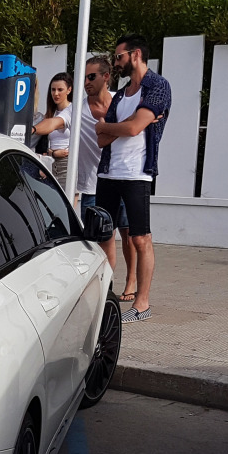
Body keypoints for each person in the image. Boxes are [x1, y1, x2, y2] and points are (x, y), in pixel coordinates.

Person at [32, 56, 138, 300]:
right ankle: (106, 291)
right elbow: (55, 122)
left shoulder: (119, 103)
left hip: (121, 178)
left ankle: (131, 280)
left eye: (91, 77)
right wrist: (32, 129)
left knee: (128, 234)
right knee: (102, 240)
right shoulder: (76, 108)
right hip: (91, 185)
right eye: (84, 78)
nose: (87, 82)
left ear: (105, 77)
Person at [95, 33, 171, 323]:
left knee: (140, 238)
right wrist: (123, 124)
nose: (116, 63)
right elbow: (100, 138)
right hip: (108, 172)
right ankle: (103, 294)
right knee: (102, 235)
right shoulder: (121, 94)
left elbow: (133, 130)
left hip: (137, 174)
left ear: (135, 55)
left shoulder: (158, 87)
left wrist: (112, 126)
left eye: (119, 57)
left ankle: (142, 304)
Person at [32, 73, 72, 188]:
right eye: (53, 90)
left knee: (68, 201)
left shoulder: (72, 110)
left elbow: (52, 125)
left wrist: (33, 129)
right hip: (51, 162)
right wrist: (52, 153)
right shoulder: (51, 113)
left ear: (69, 90)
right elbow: (45, 144)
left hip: (67, 163)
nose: (56, 93)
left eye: (60, 90)